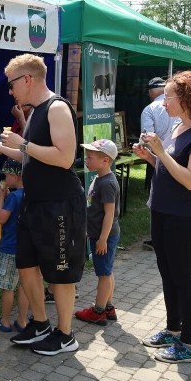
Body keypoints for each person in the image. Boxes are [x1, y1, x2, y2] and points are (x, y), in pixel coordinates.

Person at [0, 54, 85, 357]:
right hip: (35, 202)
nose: (10, 91)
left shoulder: (58, 108)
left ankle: (65, 334)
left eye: (11, 84)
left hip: (59, 203)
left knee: (59, 272)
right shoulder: (35, 112)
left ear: (26, 79)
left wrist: (20, 143)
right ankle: (40, 323)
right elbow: (33, 155)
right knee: (25, 264)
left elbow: (64, 157)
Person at [133, 71, 191, 364]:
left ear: (187, 99)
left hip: (183, 215)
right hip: (162, 209)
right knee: (167, 273)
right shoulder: (179, 126)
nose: (163, 99)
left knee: (183, 277)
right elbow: (168, 167)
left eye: (169, 95)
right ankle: (173, 328)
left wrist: (160, 151)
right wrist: (150, 157)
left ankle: (188, 344)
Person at [74, 139, 120, 326]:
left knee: (103, 273)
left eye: (90, 157)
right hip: (98, 234)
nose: (86, 160)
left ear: (105, 161)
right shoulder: (98, 179)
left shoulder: (107, 183)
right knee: (106, 272)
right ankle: (108, 306)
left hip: (104, 236)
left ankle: (99, 310)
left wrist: (102, 238)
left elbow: (110, 214)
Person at [0, 158, 30, 333]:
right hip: (27, 249)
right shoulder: (31, 194)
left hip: (9, 248)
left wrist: (1, 197)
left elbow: (0, 218)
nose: (5, 178)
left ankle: (5, 321)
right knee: (24, 287)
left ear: (15, 176)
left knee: (8, 287)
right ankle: (22, 321)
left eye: (7, 175)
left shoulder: (13, 197)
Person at [140, 76, 177, 250]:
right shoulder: (182, 109)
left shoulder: (149, 109)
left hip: (158, 158)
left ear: (149, 92)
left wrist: (156, 152)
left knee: (156, 197)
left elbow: (147, 137)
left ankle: (158, 238)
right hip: (178, 158)